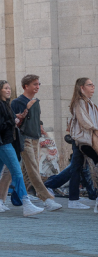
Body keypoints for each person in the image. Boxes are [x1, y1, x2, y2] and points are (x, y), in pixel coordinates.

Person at [0, 80, 44, 216]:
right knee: (17, 172)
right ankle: (26, 203)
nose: (9, 90)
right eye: (5, 88)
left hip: (3, 143)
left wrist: (17, 118)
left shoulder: (4, 104)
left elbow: (4, 122)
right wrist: (12, 121)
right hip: (2, 143)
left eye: (9, 88)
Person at [8, 74, 62, 211]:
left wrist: (41, 128)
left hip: (35, 138)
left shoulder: (36, 101)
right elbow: (14, 121)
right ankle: (47, 199)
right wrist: (26, 109)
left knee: (27, 170)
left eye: (38, 84)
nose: (37, 87)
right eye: (35, 84)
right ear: (26, 86)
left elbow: (37, 118)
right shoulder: (17, 102)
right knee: (33, 169)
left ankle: (19, 196)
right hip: (24, 138)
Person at [65, 77, 98, 210]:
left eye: (93, 85)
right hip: (84, 140)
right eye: (90, 85)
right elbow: (84, 121)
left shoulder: (90, 103)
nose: (93, 87)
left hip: (86, 140)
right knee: (76, 169)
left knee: (75, 169)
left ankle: (73, 199)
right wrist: (95, 129)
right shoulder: (80, 102)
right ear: (82, 88)